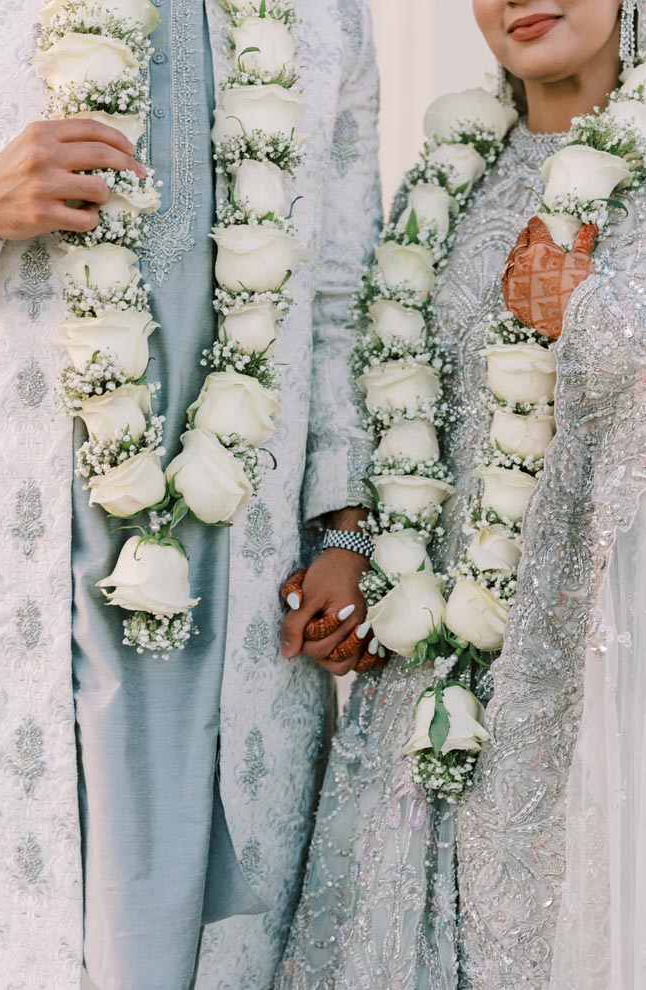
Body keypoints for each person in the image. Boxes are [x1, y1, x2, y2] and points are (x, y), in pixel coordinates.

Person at [0, 1, 381, 987]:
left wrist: (349, 533)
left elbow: (343, 292)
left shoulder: (331, 18)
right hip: (30, 578)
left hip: (244, 594)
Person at [278, 2, 646, 988]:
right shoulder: (445, 182)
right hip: (428, 673)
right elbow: (387, 394)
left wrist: (592, 315)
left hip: (595, 658)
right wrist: (352, 552)